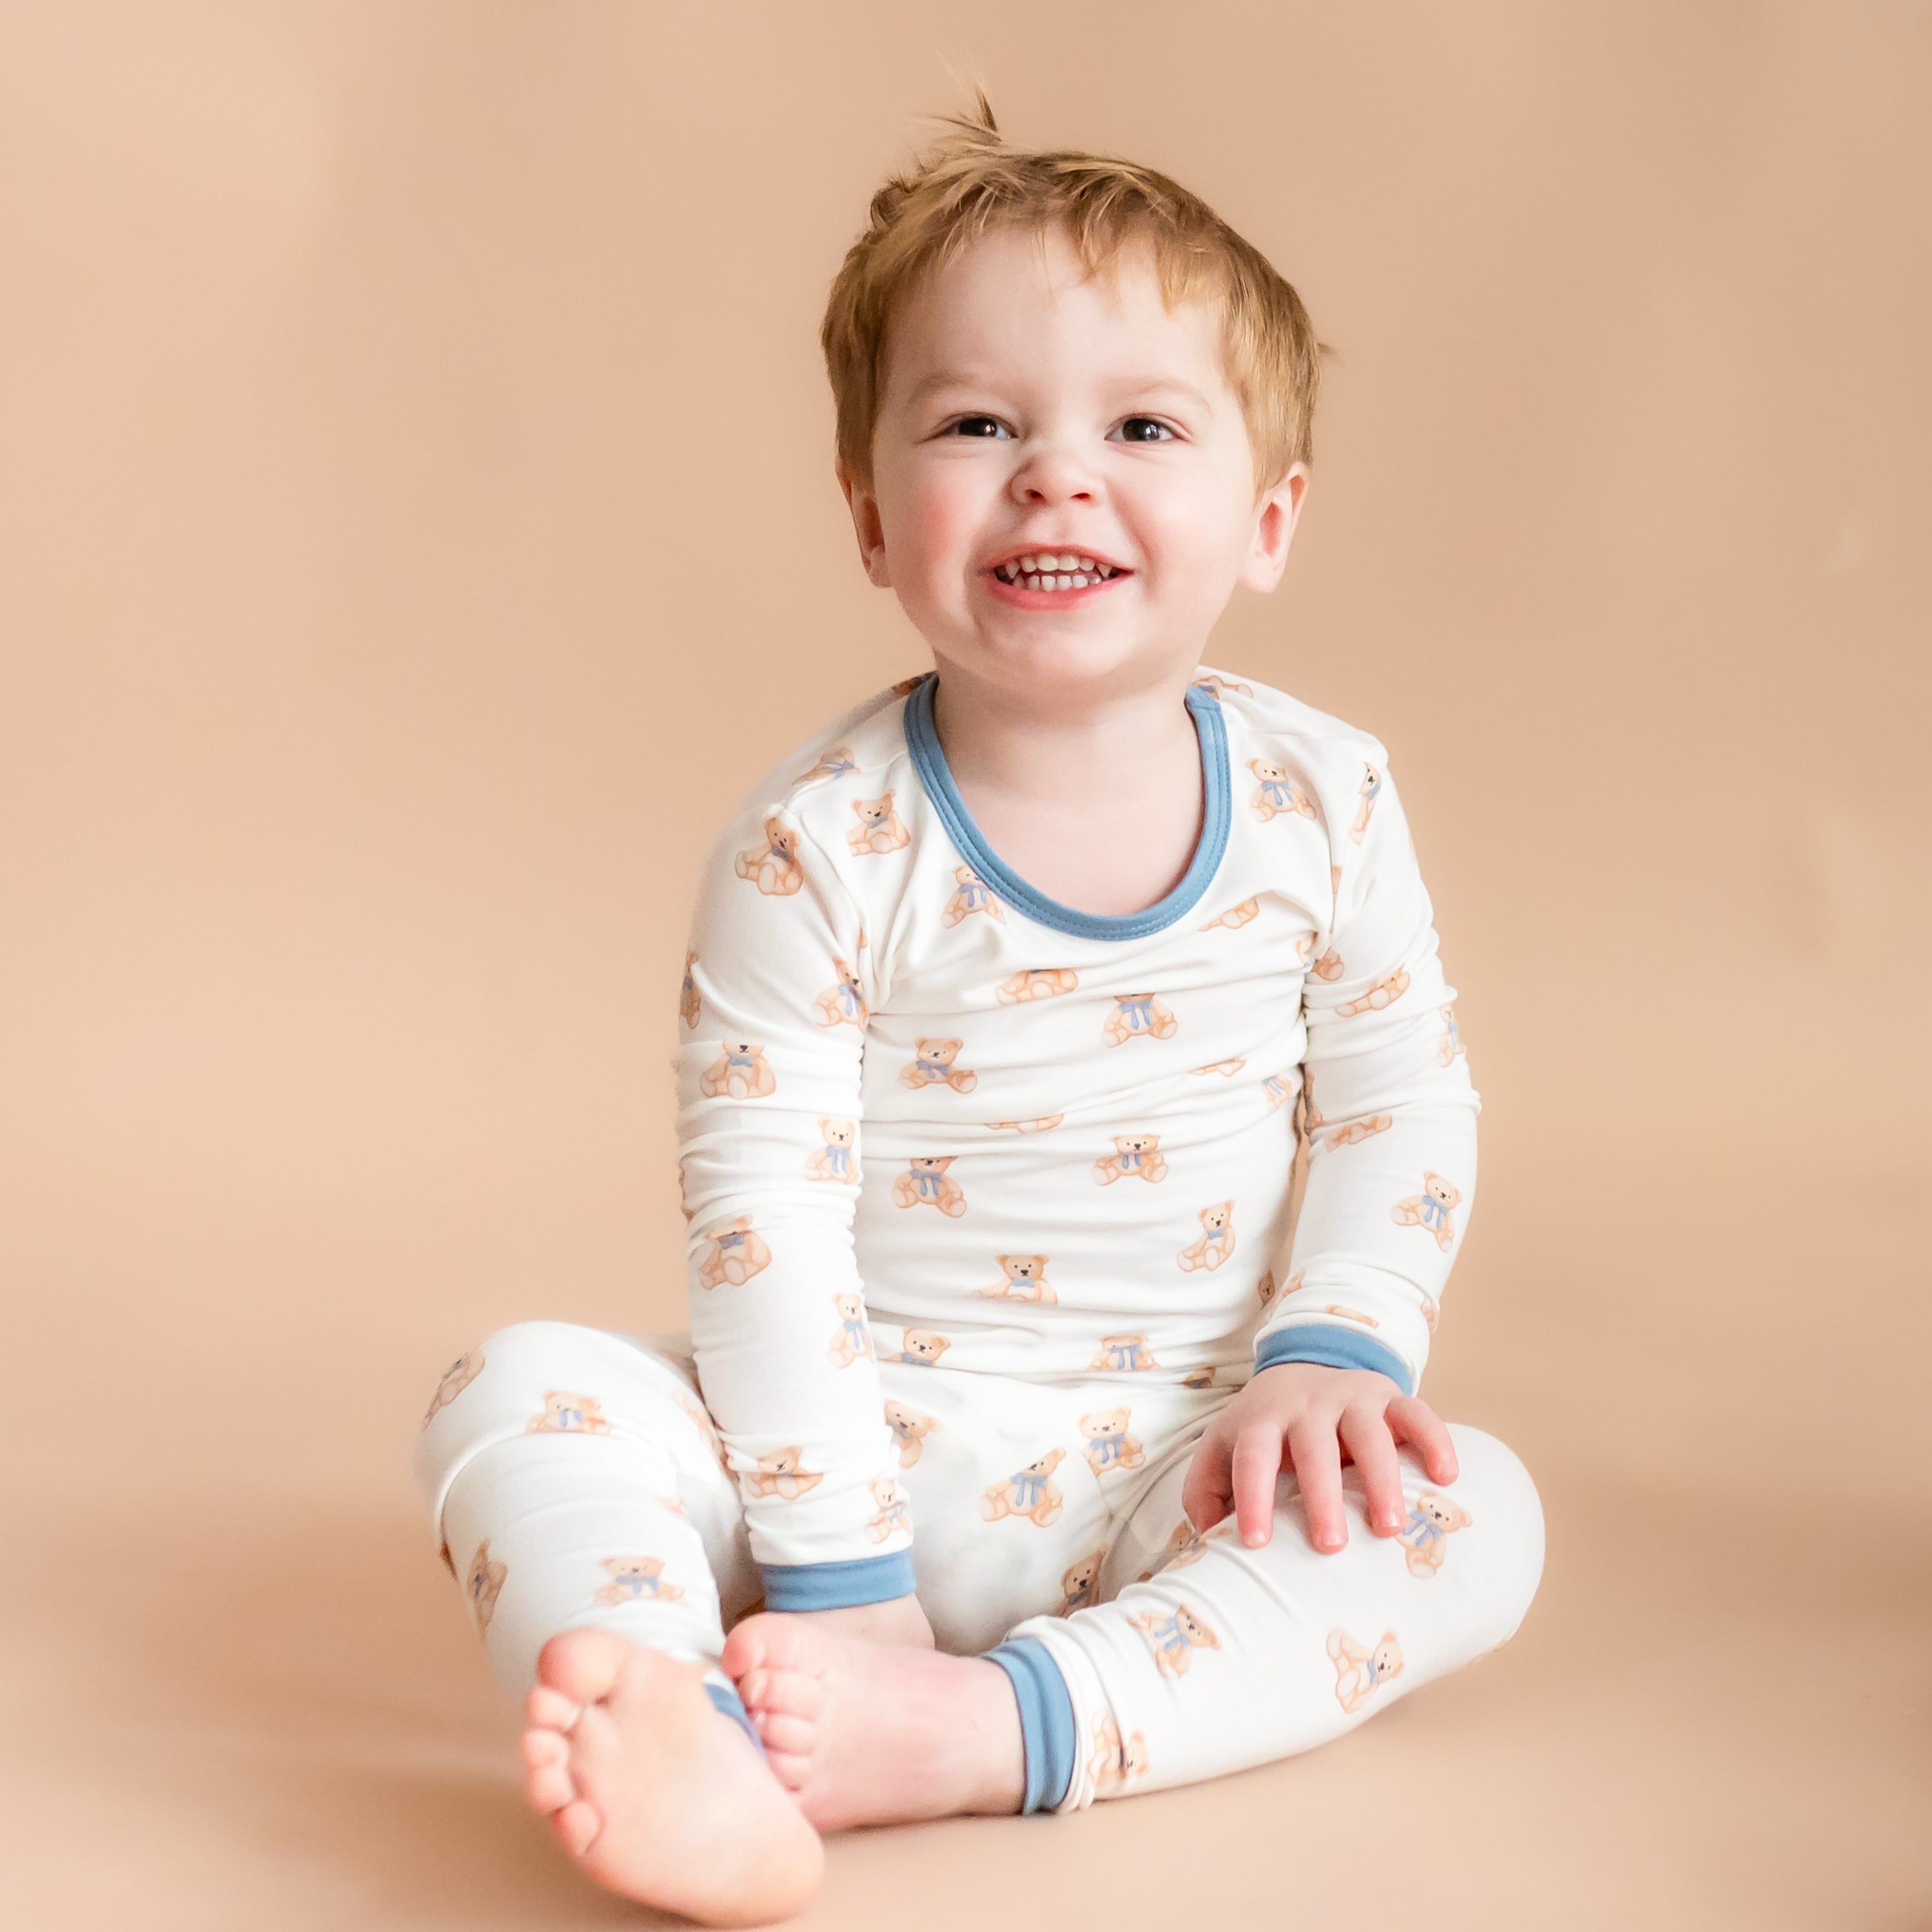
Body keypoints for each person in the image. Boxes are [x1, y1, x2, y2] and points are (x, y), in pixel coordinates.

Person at [417, 100, 1544, 1926]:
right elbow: (759, 1216)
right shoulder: (815, 845)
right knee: (516, 1393)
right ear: (873, 518)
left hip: (1187, 1463)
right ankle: (690, 1719)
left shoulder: (1328, 799)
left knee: (1476, 1514)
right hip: (848, 1446)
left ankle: (997, 1728)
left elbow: (1401, 1091)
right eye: (978, 425)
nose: (1057, 477)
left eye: (1142, 428)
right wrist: (840, 1575)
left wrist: (1334, 1351)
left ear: (1267, 520)